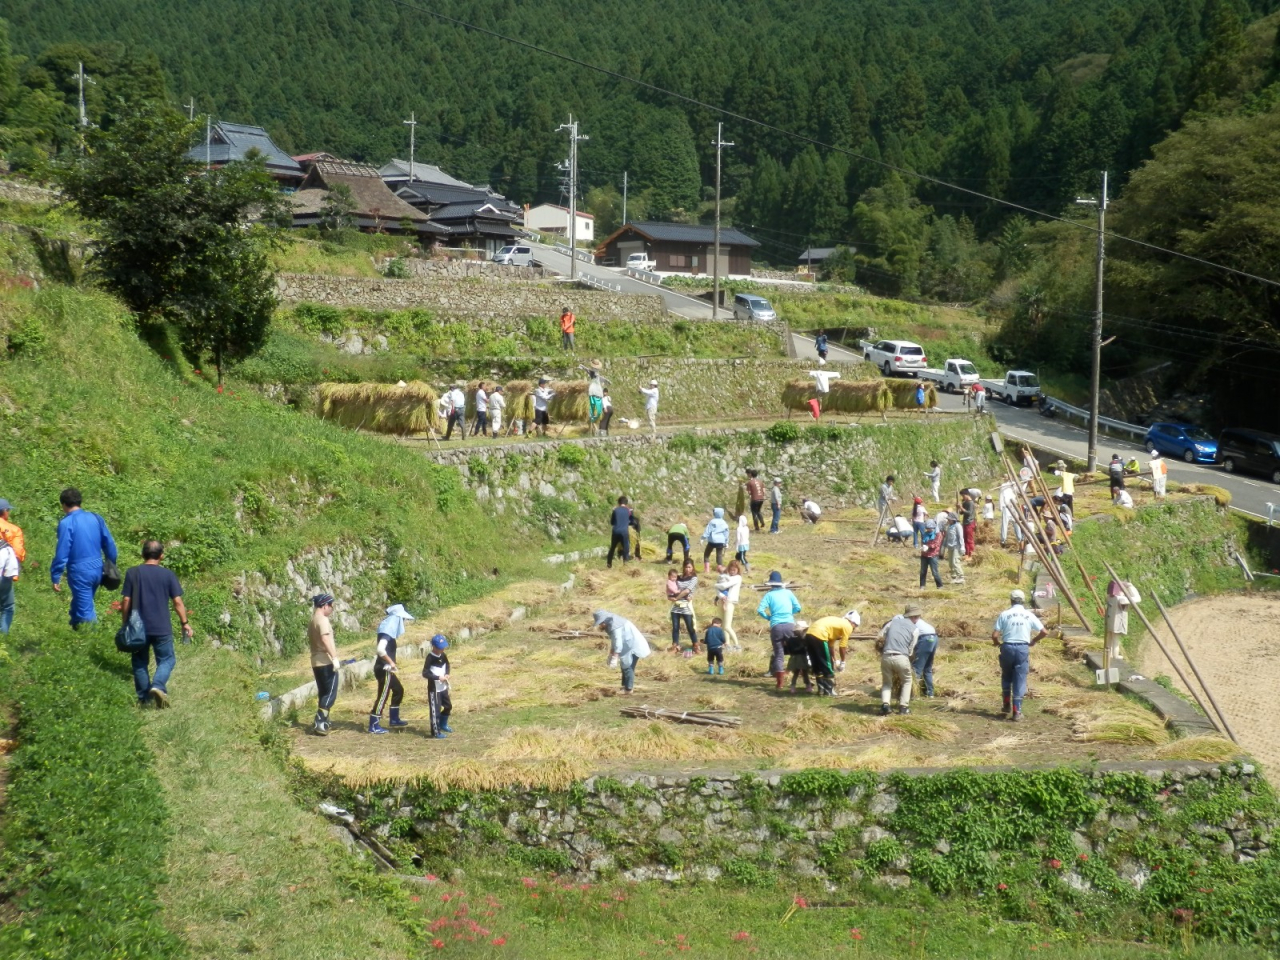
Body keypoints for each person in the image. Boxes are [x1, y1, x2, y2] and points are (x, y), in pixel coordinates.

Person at [120, 540, 192, 708]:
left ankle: (145, 700)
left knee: (139, 662)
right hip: (161, 628)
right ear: (161, 556)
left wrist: (125, 623)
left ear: (142, 554)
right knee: (167, 659)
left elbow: (126, 600)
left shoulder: (133, 573)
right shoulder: (167, 575)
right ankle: (158, 686)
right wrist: (185, 623)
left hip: (138, 628)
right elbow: (178, 602)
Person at [51, 487, 118, 629]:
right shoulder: (95, 517)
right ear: (79, 502)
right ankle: (75, 631)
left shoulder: (66, 523)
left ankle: (93, 641)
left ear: (63, 504)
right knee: (81, 602)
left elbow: (62, 552)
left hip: (80, 572)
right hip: (97, 569)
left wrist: (56, 574)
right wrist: (111, 564)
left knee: (85, 612)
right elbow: (109, 544)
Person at [992, 589, 1047, 721]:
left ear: (1011, 600)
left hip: (1007, 647)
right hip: (1022, 647)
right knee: (1020, 678)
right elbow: (1044, 631)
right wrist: (1033, 641)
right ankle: (1017, 711)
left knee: (1006, 675)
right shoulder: (1028, 615)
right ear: (1023, 601)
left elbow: (994, 635)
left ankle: (1006, 705)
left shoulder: (1005, 614)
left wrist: (997, 643)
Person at [369, 603, 415, 734]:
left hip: (385, 668)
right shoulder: (387, 633)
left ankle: (394, 718)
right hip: (384, 669)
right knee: (383, 696)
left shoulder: (387, 632)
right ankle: (374, 724)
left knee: (398, 690)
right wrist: (391, 663)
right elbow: (380, 650)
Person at [757, 571, 802, 690]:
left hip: (776, 626)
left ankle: (780, 683)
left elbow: (760, 610)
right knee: (795, 652)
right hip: (789, 625)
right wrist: (789, 614)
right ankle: (800, 677)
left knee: (778, 654)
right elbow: (798, 607)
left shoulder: (768, 595)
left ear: (771, 584)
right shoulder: (788, 592)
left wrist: (769, 618)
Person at [877, 604, 922, 715]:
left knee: (887, 683)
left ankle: (885, 705)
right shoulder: (915, 629)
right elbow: (911, 649)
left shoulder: (892, 622)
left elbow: (880, 636)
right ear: (915, 617)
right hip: (901, 657)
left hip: (886, 656)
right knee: (907, 681)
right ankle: (903, 707)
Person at [595, 609, 650, 694]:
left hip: (634, 646)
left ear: (605, 620)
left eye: (601, 623)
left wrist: (615, 656)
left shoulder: (615, 625)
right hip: (628, 646)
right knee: (624, 665)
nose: (601, 625)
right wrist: (611, 654)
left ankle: (628, 689)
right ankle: (624, 686)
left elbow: (618, 642)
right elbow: (614, 641)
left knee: (628, 666)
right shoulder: (611, 624)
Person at [803, 612, 859, 696]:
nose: (854, 629)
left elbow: (830, 646)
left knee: (817, 664)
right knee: (827, 665)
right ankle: (829, 691)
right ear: (853, 623)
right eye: (855, 626)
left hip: (809, 634)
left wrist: (834, 659)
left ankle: (821, 690)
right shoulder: (848, 626)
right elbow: (843, 646)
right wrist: (843, 662)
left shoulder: (837, 624)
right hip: (820, 635)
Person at [308, 593, 339, 736]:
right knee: (330, 693)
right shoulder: (323, 620)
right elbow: (325, 639)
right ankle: (319, 720)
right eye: (331, 606)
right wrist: (334, 658)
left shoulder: (312, 620)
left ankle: (325, 720)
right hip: (325, 661)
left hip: (315, 661)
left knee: (323, 692)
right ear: (325, 605)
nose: (332, 609)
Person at [0, 498, 23, 635]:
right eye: (8, 510)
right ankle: (2, 638)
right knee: (7, 607)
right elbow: (18, 553)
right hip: (3, 574)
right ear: (4, 511)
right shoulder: (14, 530)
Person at [423, 633, 452, 738]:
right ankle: (436, 732)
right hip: (434, 689)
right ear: (434, 647)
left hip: (443, 687)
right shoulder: (430, 658)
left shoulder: (443, 655)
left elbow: (447, 665)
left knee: (448, 706)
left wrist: (447, 673)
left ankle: (443, 724)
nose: (442, 649)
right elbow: (425, 673)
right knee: (436, 710)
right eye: (440, 648)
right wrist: (437, 677)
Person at [667, 561, 700, 652]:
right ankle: (675, 646)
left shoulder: (694, 578)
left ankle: (696, 645)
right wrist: (669, 596)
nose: (688, 569)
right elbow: (670, 584)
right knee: (675, 627)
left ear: (693, 567)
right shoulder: (678, 577)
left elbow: (687, 591)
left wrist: (677, 597)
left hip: (686, 605)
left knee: (690, 626)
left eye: (689, 567)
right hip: (676, 606)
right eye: (686, 567)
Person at [715, 559, 744, 651]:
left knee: (727, 626)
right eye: (730, 569)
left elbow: (724, 586)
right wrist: (718, 596)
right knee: (723, 625)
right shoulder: (726, 576)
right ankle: (727, 644)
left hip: (730, 602)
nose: (732, 571)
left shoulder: (737, 577)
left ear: (738, 570)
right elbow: (721, 588)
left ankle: (737, 644)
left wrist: (715, 585)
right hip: (722, 601)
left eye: (734, 569)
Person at [911, 616, 939, 698]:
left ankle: (913, 693)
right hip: (934, 637)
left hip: (925, 638)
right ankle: (930, 692)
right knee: (927, 667)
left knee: (917, 668)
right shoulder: (919, 621)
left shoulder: (907, 621)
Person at [607, 495, 639, 568]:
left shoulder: (615, 510)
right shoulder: (628, 510)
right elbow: (632, 521)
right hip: (624, 532)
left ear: (619, 503)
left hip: (615, 531)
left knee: (612, 548)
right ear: (626, 503)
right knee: (626, 548)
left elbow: (612, 522)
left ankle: (609, 564)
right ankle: (625, 564)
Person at [701, 507, 730, 572]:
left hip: (712, 541)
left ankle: (707, 570)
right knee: (719, 556)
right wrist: (726, 542)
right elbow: (726, 533)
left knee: (706, 554)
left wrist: (703, 538)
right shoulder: (724, 522)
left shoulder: (712, 522)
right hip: (721, 542)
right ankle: (720, 570)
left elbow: (707, 531)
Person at [919, 518, 943, 589]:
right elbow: (922, 542)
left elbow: (936, 544)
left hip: (933, 555)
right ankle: (922, 586)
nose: (929, 530)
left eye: (930, 528)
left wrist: (928, 546)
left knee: (934, 572)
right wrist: (923, 547)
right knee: (923, 571)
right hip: (924, 555)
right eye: (927, 528)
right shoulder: (924, 534)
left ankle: (939, 586)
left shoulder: (938, 535)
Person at [943, 511, 965, 583]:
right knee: (951, 563)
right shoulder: (949, 526)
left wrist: (962, 547)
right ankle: (954, 576)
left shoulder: (958, 526)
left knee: (955, 562)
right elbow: (947, 537)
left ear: (953, 519)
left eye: (949, 519)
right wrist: (944, 545)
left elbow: (961, 537)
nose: (948, 520)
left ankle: (961, 576)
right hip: (950, 546)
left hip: (956, 546)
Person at [960, 490, 977, 557]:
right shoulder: (965, 503)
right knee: (965, 538)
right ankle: (967, 553)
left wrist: (961, 507)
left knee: (969, 539)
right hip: (965, 522)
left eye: (963, 496)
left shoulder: (971, 503)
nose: (963, 497)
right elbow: (962, 512)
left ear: (967, 495)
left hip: (970, 522)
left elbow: (969, 513)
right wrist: (960, 508)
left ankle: (971, 553)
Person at [587, 370, 604, 434]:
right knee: (593, 411)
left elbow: (601, 378)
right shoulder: (594, 382)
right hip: (595, 395)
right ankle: (593, 429)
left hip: (596, 395)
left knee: (596, 412)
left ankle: (594, 428)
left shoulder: (597, 379)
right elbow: (588, 370)